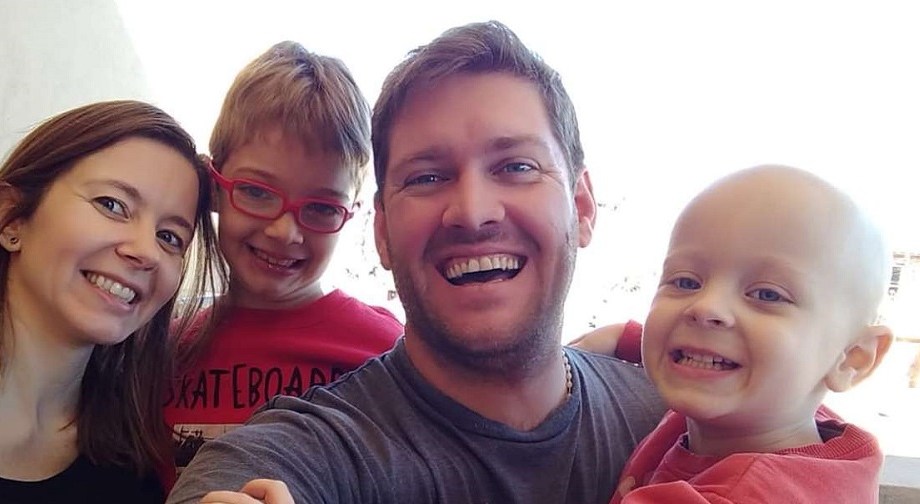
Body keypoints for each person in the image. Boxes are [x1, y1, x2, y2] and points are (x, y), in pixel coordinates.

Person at [167, 20, 666, 504]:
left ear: (581, 205)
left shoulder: (679, 425)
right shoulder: (315, 447)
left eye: (517, 166)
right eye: (427, 177)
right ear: (382, 232)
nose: (472, 212)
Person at [162, 41, 403, 478]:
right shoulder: (163, 354)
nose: (284, 231)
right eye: (256, 192)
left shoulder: (386, 353)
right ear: (214, 185)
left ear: (352, 213)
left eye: (322, 208)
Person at [610, 165, 893, 503]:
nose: (706, 307)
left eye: (767, 295)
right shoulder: (808, 430)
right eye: (686, 282)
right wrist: (630, 338)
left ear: (851, 358)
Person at [0, 100, 222, 503]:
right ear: (12, 216)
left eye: (169, 237)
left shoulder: (133, 470)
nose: (147, 252)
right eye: (112, 205)